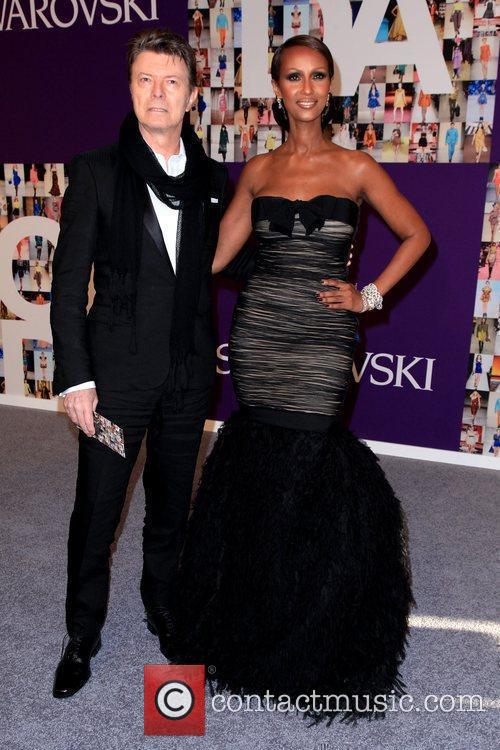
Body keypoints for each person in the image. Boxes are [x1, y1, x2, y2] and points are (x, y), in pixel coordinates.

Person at [169, 34, 429, 726]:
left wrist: (367, 296)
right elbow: (216, 255)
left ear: (329, 86)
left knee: (310, 464)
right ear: (276, 90)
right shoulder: (256, 171)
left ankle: (313, 623)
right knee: (260, 468)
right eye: (293, 77)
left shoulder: (356, 167)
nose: (306, 88)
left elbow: (418, 236)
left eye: (317, 76)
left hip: (320, 344)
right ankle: (255, 615)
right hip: (259, 336)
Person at [49, 28, 230, 700]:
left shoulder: (214, 180)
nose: (157, 94)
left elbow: (226, 265)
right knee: (96, 511)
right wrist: (75, 378)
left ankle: (163, 607)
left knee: (170, 511)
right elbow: (68, 287)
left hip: (187, 378)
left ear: (190, 94)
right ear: (130, 88)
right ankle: (82, 634)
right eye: (145, 80)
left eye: (171, 82)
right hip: (113, 381)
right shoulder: (95, 171)